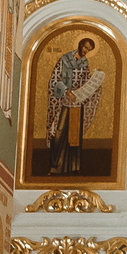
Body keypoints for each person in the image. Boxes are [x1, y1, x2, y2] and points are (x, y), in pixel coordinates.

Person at [39, 35, 102, 177]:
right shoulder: (64, 60)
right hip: (63, 102)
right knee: (59, 133)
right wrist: (67, 92)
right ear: (80, 45)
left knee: (74, 134)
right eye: (85, 47)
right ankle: (55, 167)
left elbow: (85, 81)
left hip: (76, 103)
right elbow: (55, 79)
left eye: (89, 50)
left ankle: (74, 166)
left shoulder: (84, 63)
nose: (86, 51)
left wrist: (95, 85)